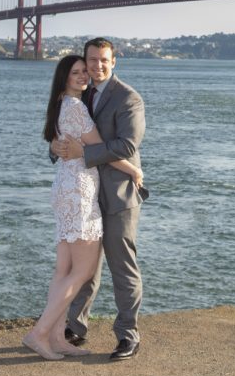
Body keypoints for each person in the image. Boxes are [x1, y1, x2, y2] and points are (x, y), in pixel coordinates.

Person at [23, 55, 144, 360]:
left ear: (113, 61)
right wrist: (133, 171)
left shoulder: (65, 104)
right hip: (80, 192)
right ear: (64, 77)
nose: (84, 75)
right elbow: (99, 147)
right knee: (83, 270)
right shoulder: (76, 106)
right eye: (76, 71)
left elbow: (69, 141)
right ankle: (39, 333)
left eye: (84, 70)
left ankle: (56, 336)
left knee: (63, 269)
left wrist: (62, 146)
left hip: (66, 187)